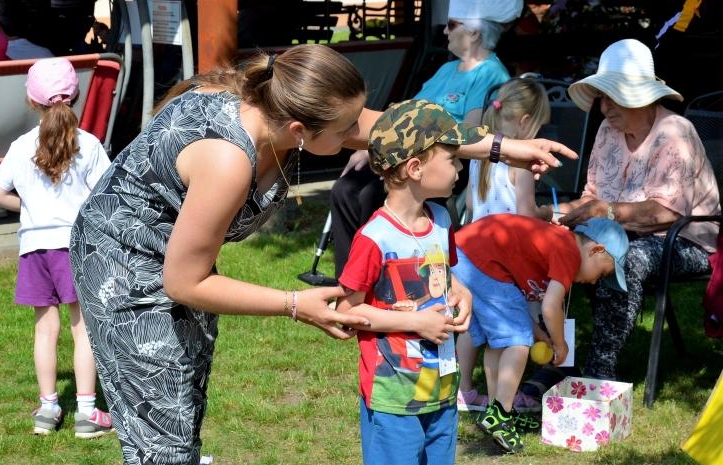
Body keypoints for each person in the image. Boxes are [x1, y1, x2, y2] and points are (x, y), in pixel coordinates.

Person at [68, 43, 574, 464]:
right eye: (347, 126)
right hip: (121, 266)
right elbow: (185, 282)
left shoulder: (280, 105)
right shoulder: (227, 159)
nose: (361, 132)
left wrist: (502, 148)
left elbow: (394, 128)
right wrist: (295, 304)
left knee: (181, 408)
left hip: (173, 253)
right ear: (299, 133)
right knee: (162, 439)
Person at [548, 38, 721, 382]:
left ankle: (599, 369)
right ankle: (556, 361)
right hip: (624, 231)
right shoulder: (607, 131)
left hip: (688, 239)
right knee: (556, 245)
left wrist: (605, 211)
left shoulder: (675, 133)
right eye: (602, 97)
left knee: (622, 256)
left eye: (612, 97)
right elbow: (593, 196)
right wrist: (556, 214)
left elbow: (667, 213)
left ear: (640, 96)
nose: (603, 108)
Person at [330, 0, 515, 279]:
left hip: (441, 160)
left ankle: (383, 277)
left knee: (369, 194)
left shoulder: (491, 73)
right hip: (409, 154)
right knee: (344, 189)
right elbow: (406, 116)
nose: (444, 33)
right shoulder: (447, 69)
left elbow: (471, 128)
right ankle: (349, 279)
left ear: (475, 33)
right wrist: (374, 146)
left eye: (451, 25)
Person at [335, 99, 473, 465]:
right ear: (415, 167)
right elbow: (348, 311)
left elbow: (446, 277)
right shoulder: (374, 239)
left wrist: (462, 292)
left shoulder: (442, 219)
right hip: (394, 396)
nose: (460, 168)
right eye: (452, 159)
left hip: (442, 390)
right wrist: (416, 322)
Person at [0, 57, 113, 438]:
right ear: (75, 95)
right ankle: (87, 413)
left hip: (35, 247)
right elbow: (106, 195)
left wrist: (30, 207)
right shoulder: (88, 144)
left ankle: (48, 410)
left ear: (31, 101)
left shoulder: (20, 146)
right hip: (76, 246)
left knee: (45, 330)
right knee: (83, 329)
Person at [454, 214, 629, 453]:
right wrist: (560, 344)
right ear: (596, 250)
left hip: (466, 253)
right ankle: (501, 415)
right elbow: (550, 307)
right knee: (517, 341)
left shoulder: (558, 244)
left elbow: (518, 312)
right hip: (479, 258)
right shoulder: (569, 251)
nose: (595, 282)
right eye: (602, 274)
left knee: (500, 341)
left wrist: (538, 333)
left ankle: (498, 411)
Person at [456, 77, 552, 413]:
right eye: (539, 126)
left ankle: (465, 390)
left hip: (468, 252)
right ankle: (503, 403)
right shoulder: (521, 165)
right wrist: (546, 214)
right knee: (513, 333)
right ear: (526, 122)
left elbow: (469, 206)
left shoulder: (479, 155)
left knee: (472, 325)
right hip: (501, 262)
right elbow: (525, 218)